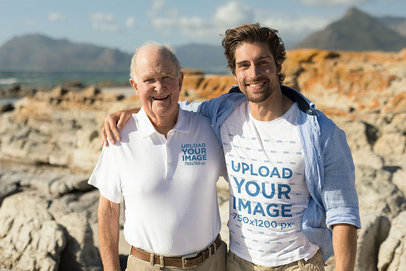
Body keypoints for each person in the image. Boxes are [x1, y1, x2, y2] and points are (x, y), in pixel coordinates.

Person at [102, 24, 360, 271]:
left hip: (298, 263)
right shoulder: (222, 114)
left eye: (263, 63)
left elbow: (343, 214)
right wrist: (135, 113)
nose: (254, 73)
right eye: (244, 65)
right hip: (237, 262)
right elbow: (169, 108)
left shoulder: (320, 132)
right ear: (235, 72)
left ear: (279, 65)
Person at [89, 42, 228, 271]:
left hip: (211, 263)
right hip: (148, 266)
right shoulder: (118, 138)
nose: (159, 87)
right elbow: (108, 211)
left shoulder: (208, 128)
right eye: (149, 80)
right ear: (135, 86)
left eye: (166, 77)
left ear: (180, 80)